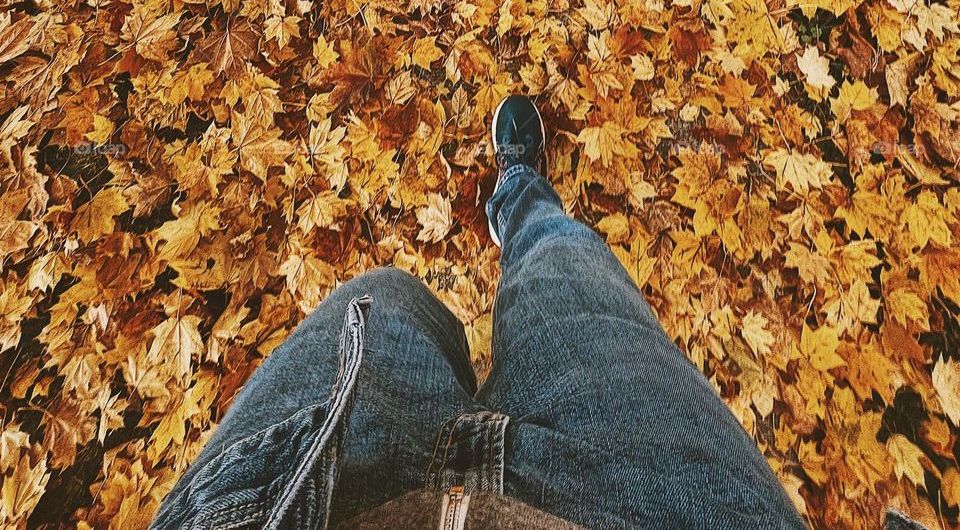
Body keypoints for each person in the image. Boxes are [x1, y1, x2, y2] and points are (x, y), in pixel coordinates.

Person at [147, 95, 915, 530]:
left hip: (307, 493)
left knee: (378, 300)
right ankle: (520, 200)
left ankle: (515, 198)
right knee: (564, 263)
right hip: (649, 503)